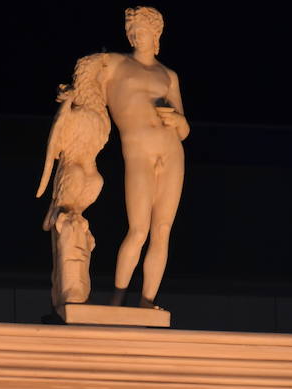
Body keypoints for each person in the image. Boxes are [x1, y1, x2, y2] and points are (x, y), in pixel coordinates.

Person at [98, 6, 188, 308]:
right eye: (132, 31)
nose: (137, 36)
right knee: (138, 230)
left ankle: (147, 300)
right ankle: (118, 298)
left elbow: (185, 129)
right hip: (138, 152)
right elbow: (85, 87)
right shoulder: (114, 64)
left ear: (156, 34)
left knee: (162, 230)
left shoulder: (169, 75)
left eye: (143, 31)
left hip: (171, 151)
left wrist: (177, 120)